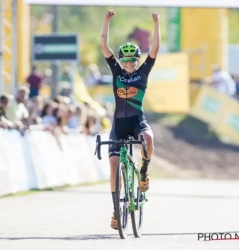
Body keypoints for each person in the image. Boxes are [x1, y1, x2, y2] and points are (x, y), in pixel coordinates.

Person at [100, 10, 160, 229]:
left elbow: (155, 50)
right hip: (119, 125)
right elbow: (104, 46)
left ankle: (143, 173)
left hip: (136, 121)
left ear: (137, 60)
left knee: (148, 139)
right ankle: (116, 210)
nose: (128, 64)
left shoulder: (143, 71)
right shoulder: (116, 71)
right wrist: (106, 21)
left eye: (132, 61)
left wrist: (156, 24)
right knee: (114, 166)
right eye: (125, 61)